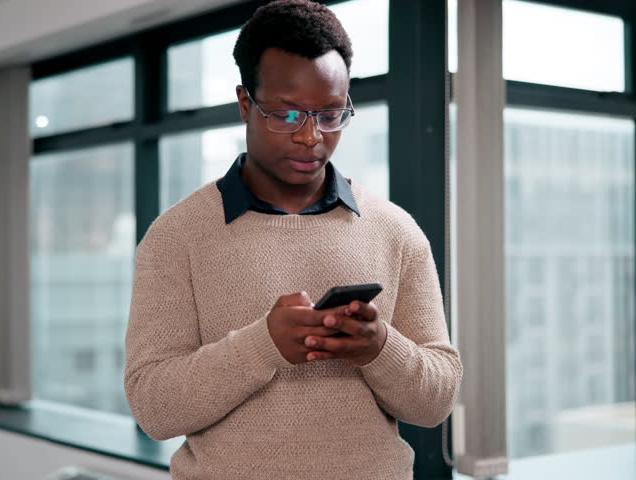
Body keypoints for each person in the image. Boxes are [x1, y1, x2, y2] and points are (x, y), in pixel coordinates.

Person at [123, 1, 462, 478]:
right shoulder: (176, 236)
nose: (310, 137)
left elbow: (437, 402)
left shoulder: (395, 229)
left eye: (330, 115)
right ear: (245, 103)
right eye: (286, 116)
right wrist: (263, 345)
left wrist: (379, 346)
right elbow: (154, 408)